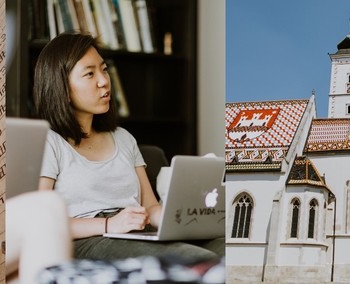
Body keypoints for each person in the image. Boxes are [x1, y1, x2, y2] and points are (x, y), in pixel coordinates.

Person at [33, 33, 222, 262]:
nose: (104, 81)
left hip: (137, 233)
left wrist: (178, 221)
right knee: (194, 260)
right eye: (90, 73)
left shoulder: (123, 138)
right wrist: (109, 223)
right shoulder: (49, 142)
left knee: (226, 248)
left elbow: (150, 206)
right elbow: (41, 222)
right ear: (62, 88)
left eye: (103, 70)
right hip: (89, 241)